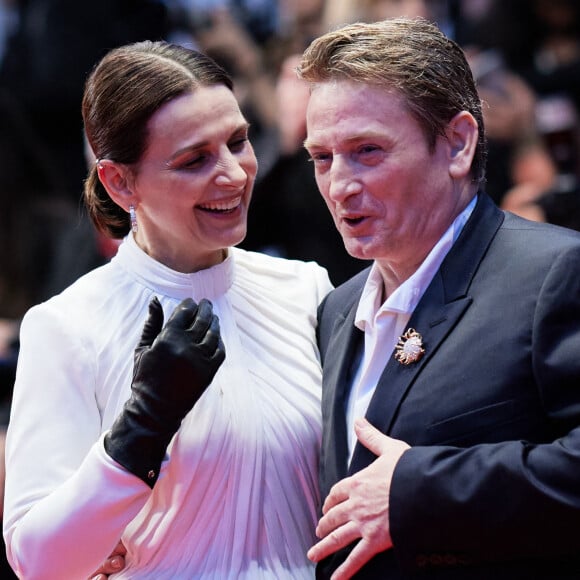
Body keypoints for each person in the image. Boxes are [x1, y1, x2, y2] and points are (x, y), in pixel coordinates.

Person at [3, 40, 332, 579]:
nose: (232, 173)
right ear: (120, 182)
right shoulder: (67, 327)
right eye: (194, 159)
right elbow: (40, 563)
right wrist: (143, 426)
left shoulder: (306, 290)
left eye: (238, 141)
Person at [298, 17, 580, 578]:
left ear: (457, 143)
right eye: (322, 158)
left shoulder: (555, 271)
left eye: (367, 150)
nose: (339, 185)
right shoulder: (336, 309)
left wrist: (421, 492)